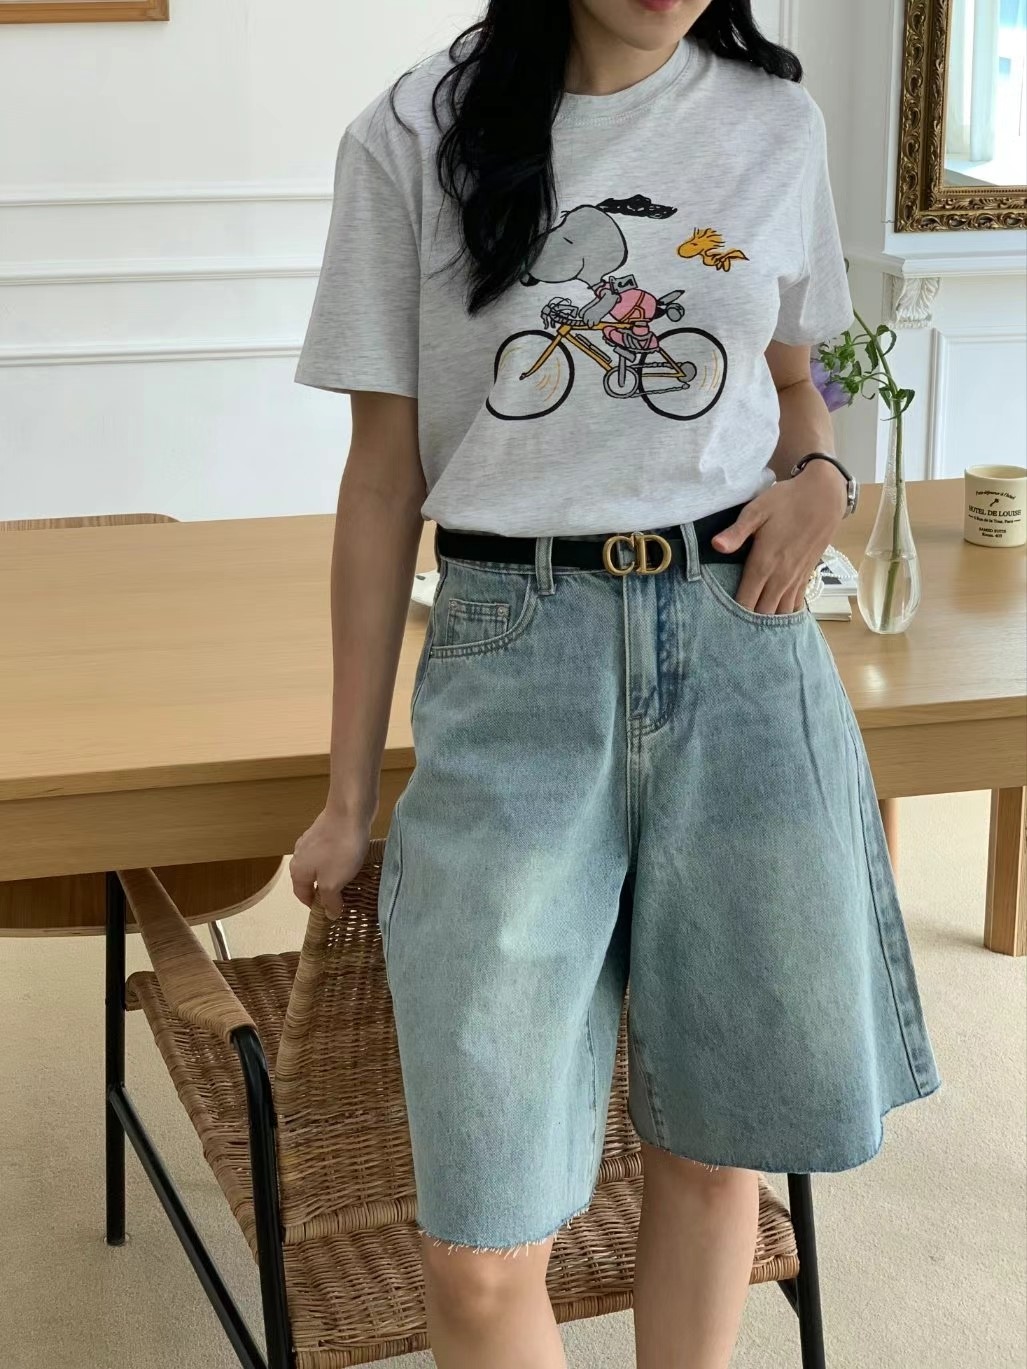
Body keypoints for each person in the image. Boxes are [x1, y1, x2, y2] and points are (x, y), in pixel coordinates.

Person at [288, 3, 942, 1366]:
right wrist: (347, 796)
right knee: (481, 1239)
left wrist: (827, 477)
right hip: (511, 653)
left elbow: (797, 379)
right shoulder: (408, 135)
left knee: (715, 1146)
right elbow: (381, 482)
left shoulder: (772, 120)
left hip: (740, 641)